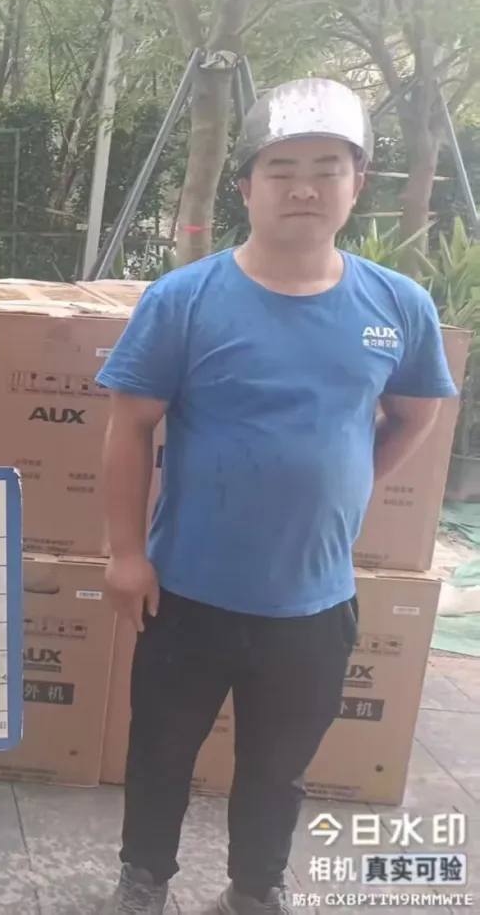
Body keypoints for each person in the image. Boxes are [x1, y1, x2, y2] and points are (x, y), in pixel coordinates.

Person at [95, 77, 457, 915]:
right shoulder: (184, 300)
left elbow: (416, 414)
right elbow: (129, 429)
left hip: (313, 604)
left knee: (278, 766)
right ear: (246, 187)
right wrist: (125, 554)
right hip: (185, 593)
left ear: (357, 184)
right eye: (282, 169)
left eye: (328, 169)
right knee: (161, 752)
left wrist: (349, 482)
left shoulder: (397, 305)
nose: (304, 188)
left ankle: (255, 887)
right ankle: (143, 880)